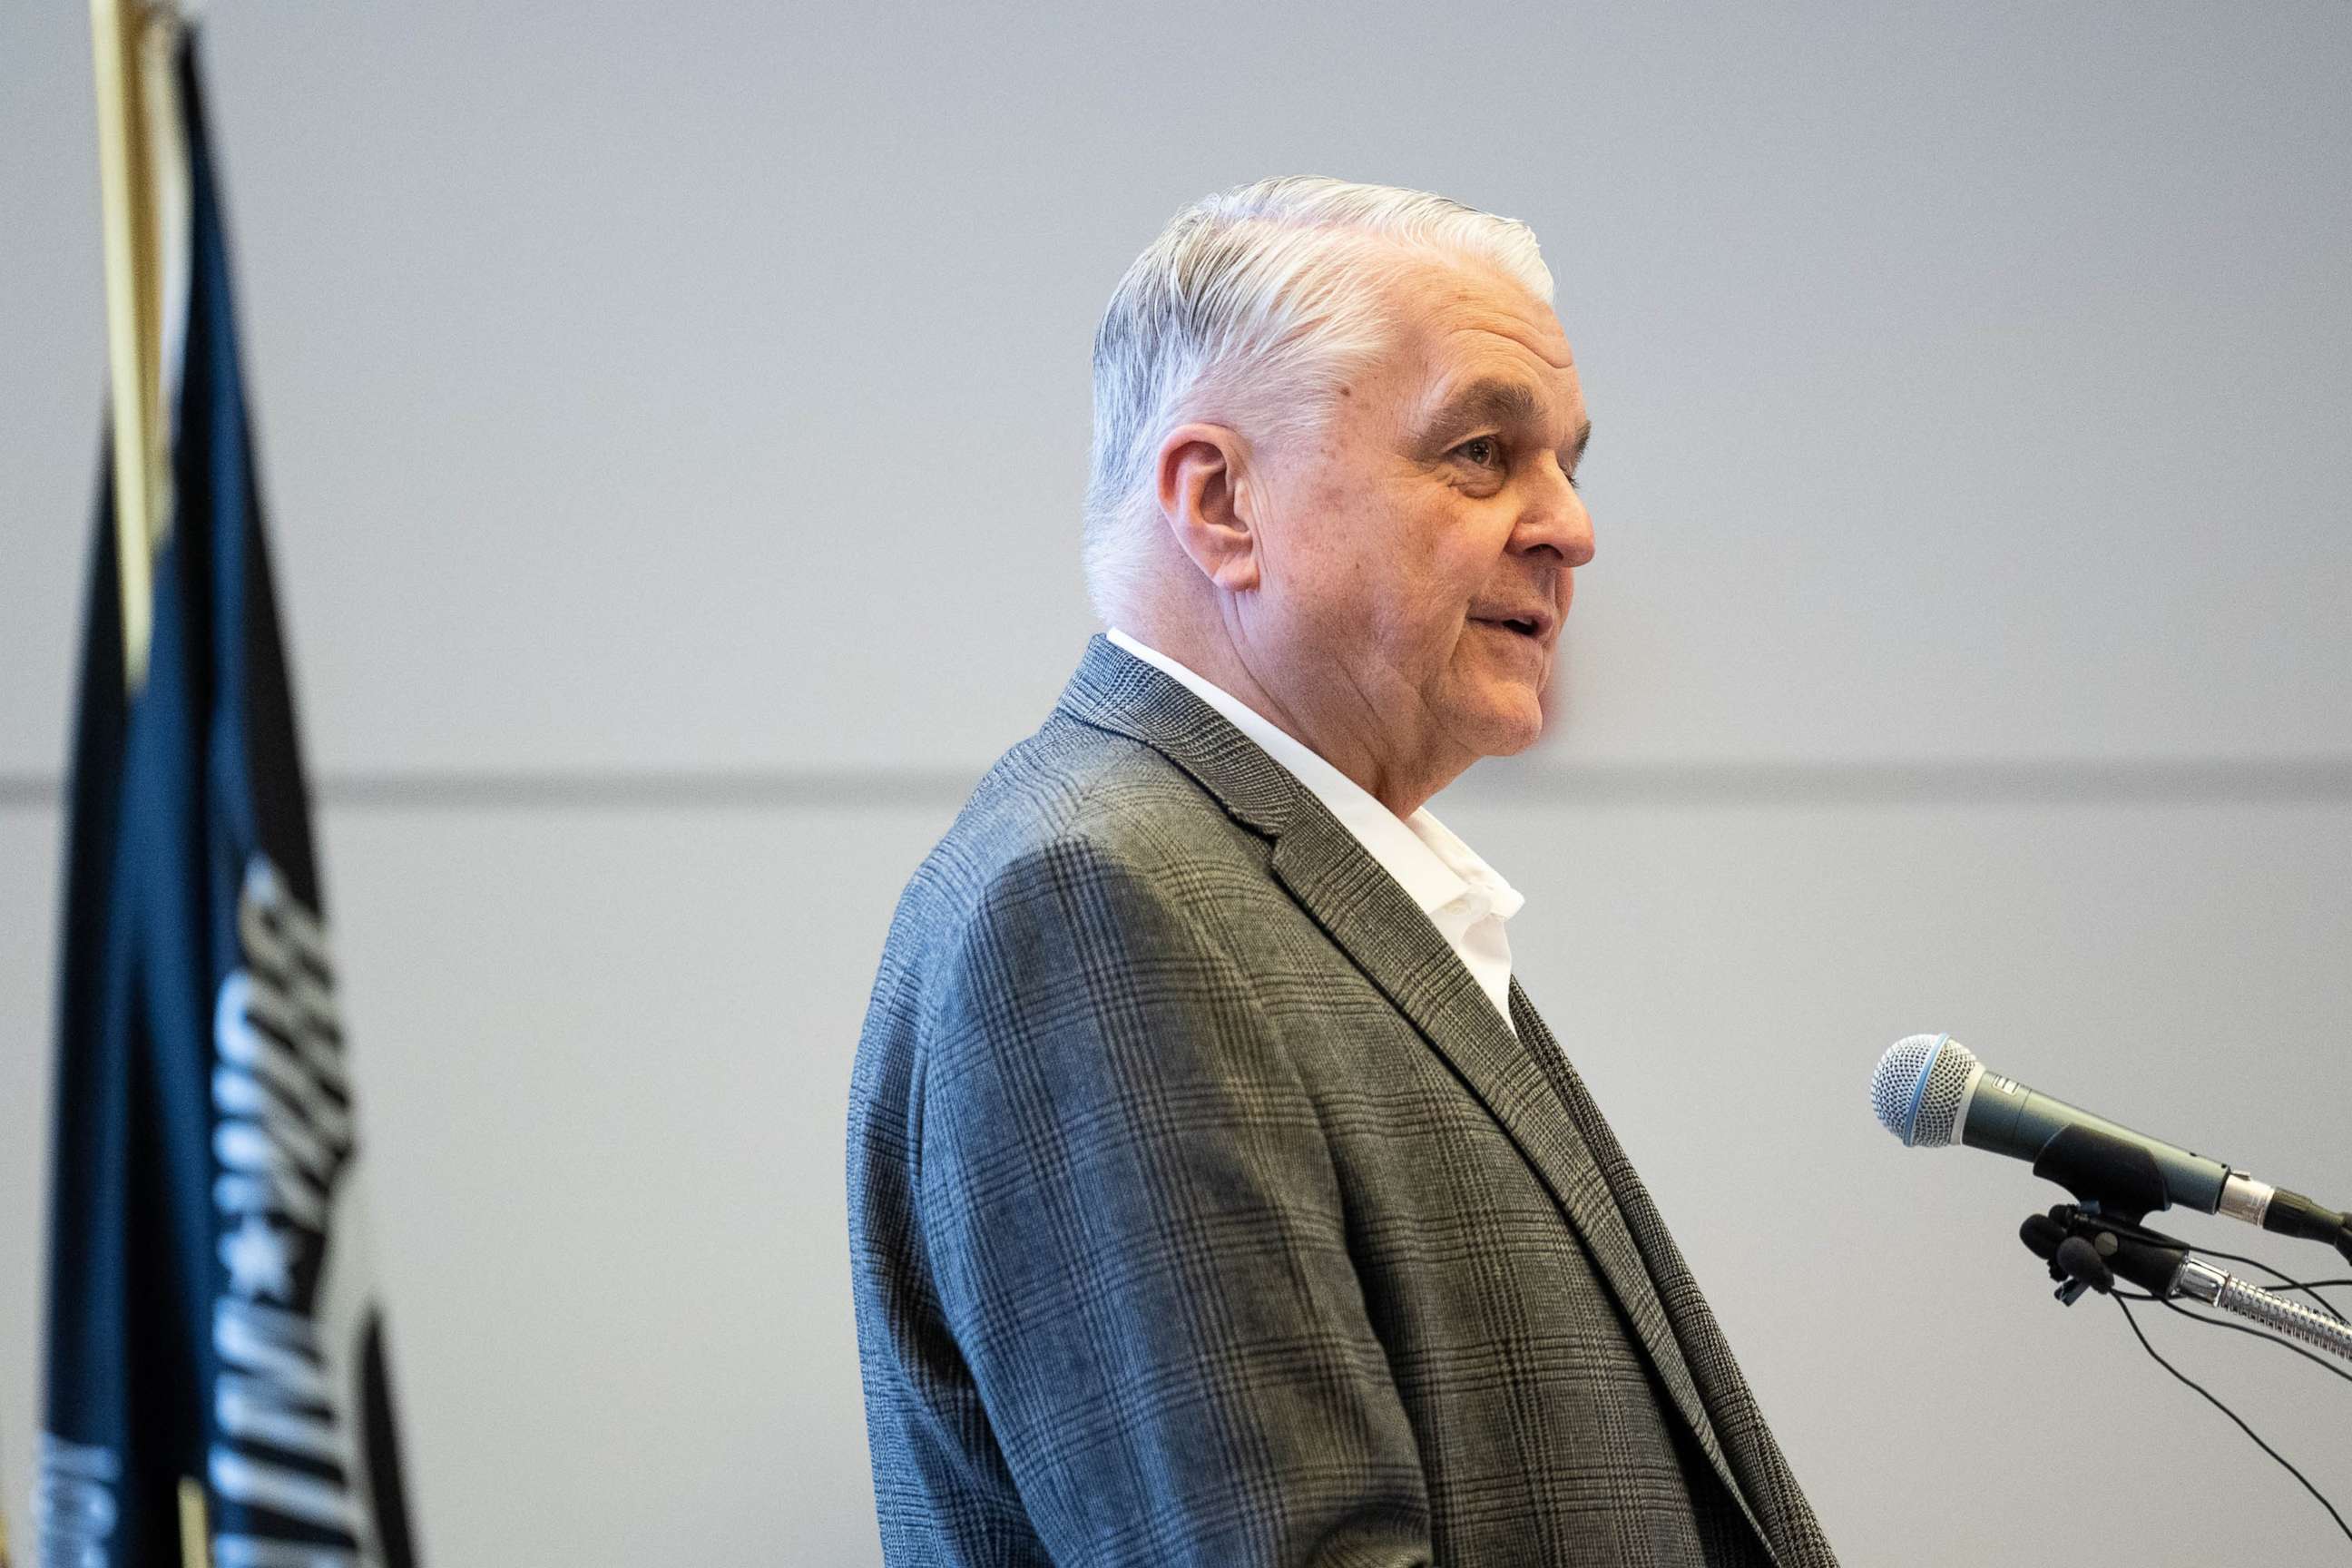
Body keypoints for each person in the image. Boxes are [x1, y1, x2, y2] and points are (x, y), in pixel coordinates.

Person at [847, 176, 1839, 1567]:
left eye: (1570, 463)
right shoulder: (1105, 903)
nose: (1572, 528)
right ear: (1221, 502)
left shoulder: (1276, 882)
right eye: (1483, 452)